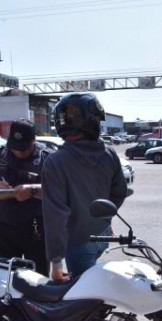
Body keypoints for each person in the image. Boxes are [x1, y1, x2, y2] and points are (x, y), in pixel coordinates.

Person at [41, 92, 128, 282]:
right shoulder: (109, 154)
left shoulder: (56, 162)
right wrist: (104, 221)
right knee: (91, 287)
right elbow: (119, 193)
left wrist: (56, 263)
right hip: (103, 235)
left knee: (81, 297)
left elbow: (55, 215)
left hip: (78, 244)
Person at [0, 118, 52, 274]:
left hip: (36, 231)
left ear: (33, 140)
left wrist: (33, 190)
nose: (19, 152)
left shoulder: (47, 158)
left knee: (38, 279)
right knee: (3, 277)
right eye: (15, 147)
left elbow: (58, 191)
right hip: (5, 229)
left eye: (24, 148)